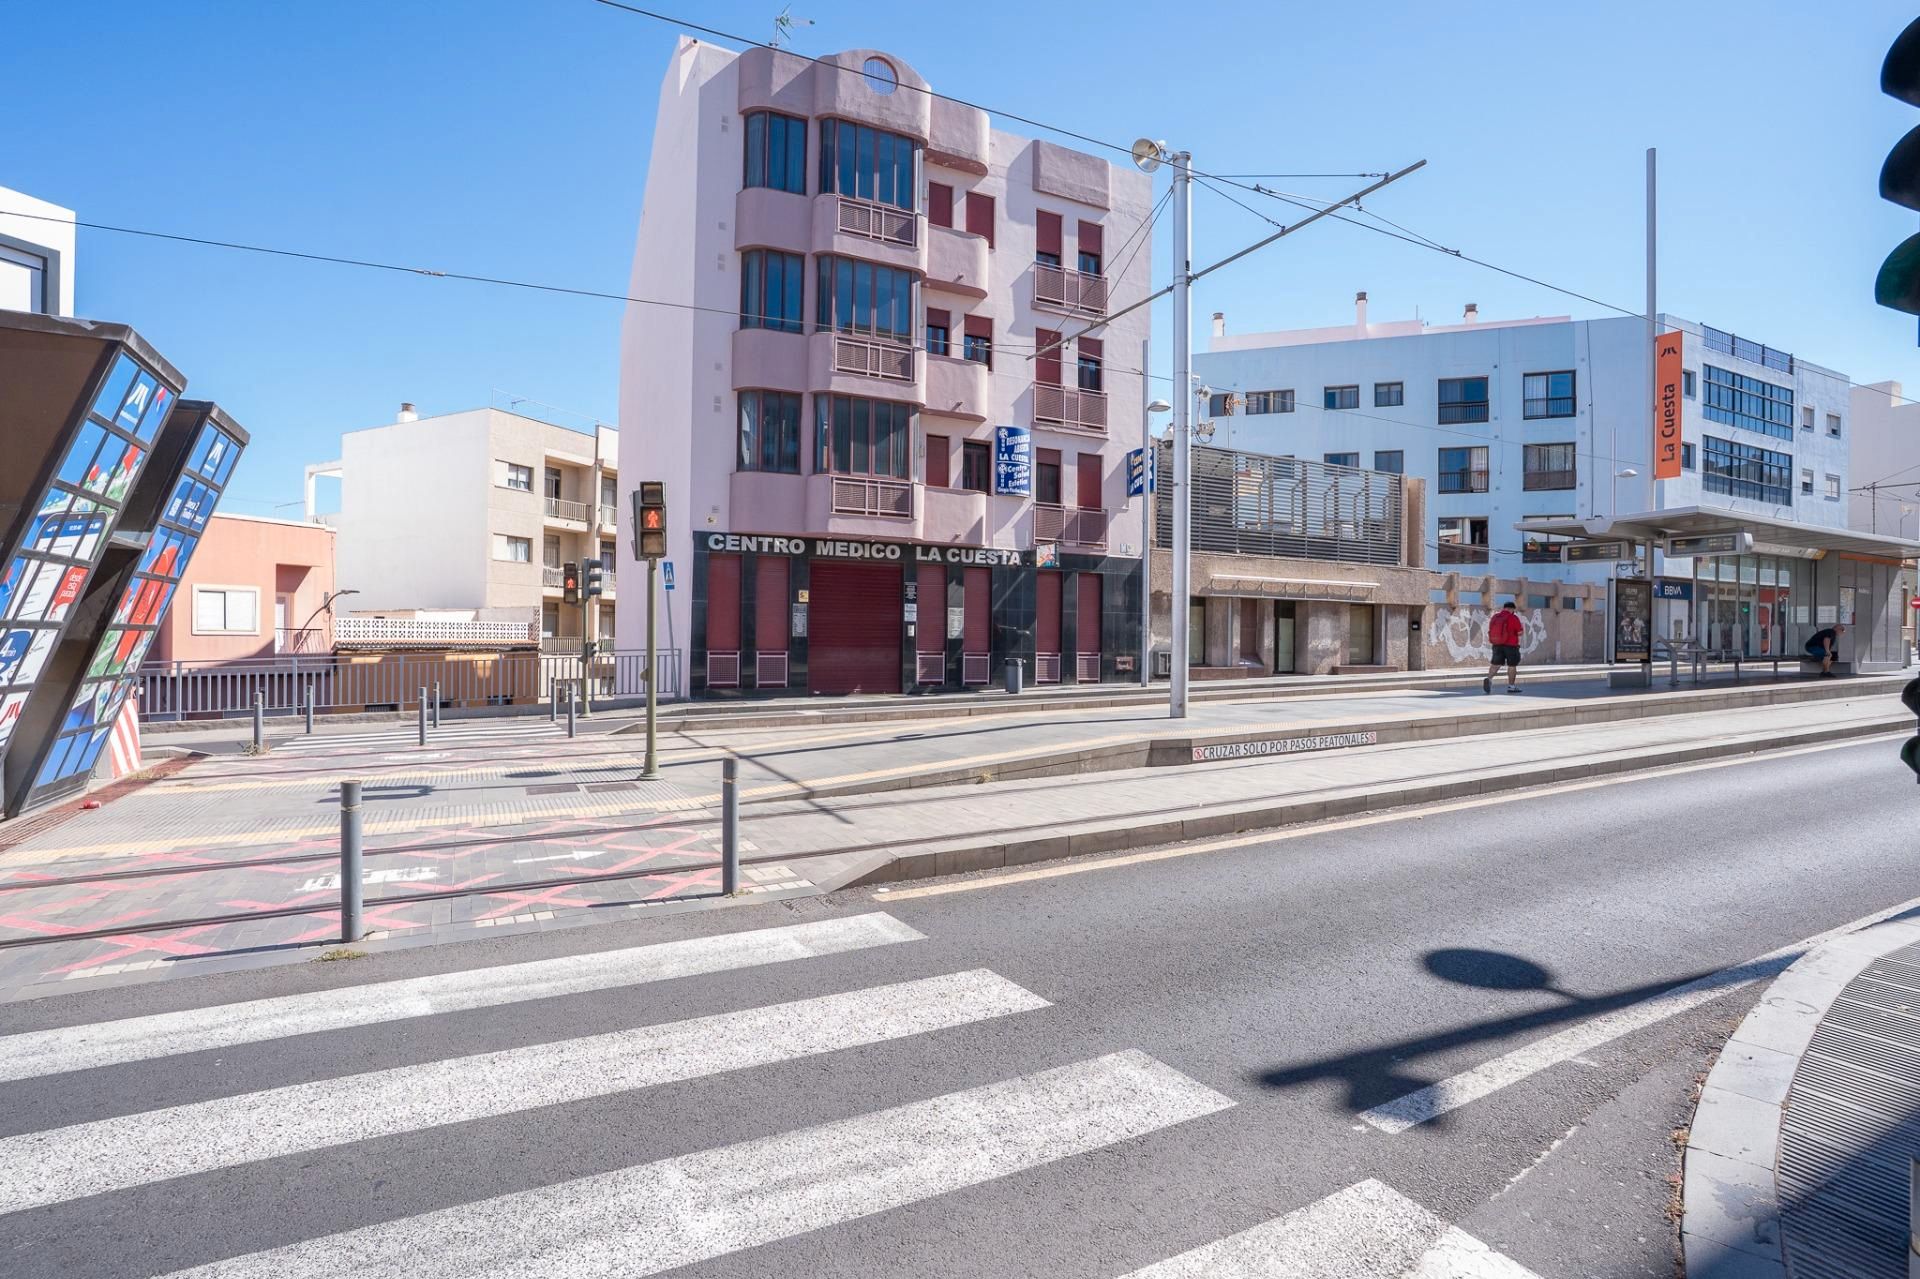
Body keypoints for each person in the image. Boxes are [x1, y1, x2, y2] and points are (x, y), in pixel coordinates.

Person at [1484, 601, 1525, 694]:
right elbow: (1520, 632)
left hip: (1497, 644)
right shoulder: (1513, 617)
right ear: (1512, 609)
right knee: (1512, 665)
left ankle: (1489, 678)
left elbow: (1491, 630)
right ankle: (1511, 686)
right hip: (1511, 645)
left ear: (1504, 608)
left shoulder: (1495, 617)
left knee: (1495, 664)